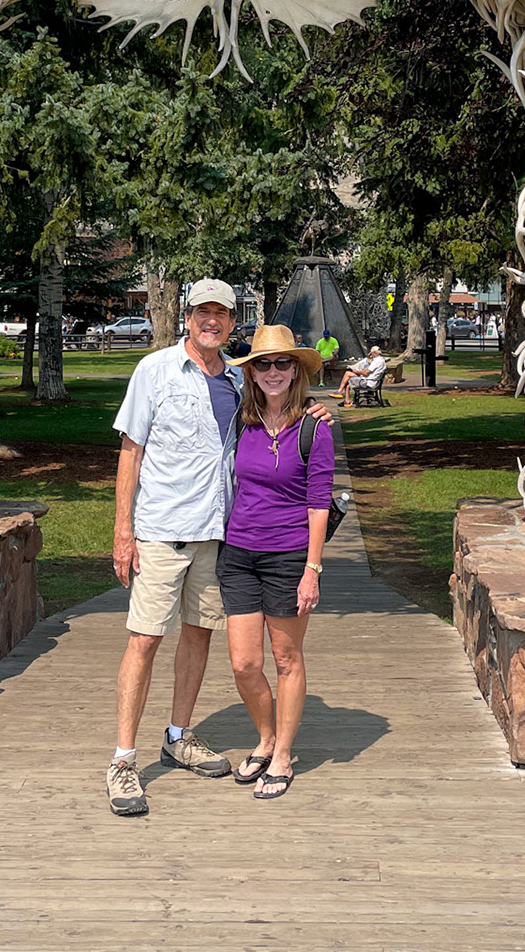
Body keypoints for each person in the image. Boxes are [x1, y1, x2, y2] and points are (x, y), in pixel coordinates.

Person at [104, 281, 332, 816]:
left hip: (218, 539)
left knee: (198, 638)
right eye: (202, 312)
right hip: (160, 533)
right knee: (143, 641)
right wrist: (122, 530)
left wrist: (316, 411)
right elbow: (129, 452)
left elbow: (284, 416)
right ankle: (122, 759)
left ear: (233, 322)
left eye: (222, 314)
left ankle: (178, 734)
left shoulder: (236, 380)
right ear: (187, 316)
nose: (212, 321)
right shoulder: (154, 371)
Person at [220, 325, 333, 801]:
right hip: (239, 553)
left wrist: (313, 569)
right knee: (245, 663)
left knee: (287, 658)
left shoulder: (315, 426)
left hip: (289, 556)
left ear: (296, 370)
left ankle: (282, 754)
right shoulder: (239, 421)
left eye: (282, 363)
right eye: (263, 364)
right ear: (251, 372)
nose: (272, 372)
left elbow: (319, 501)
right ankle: (265, 738)